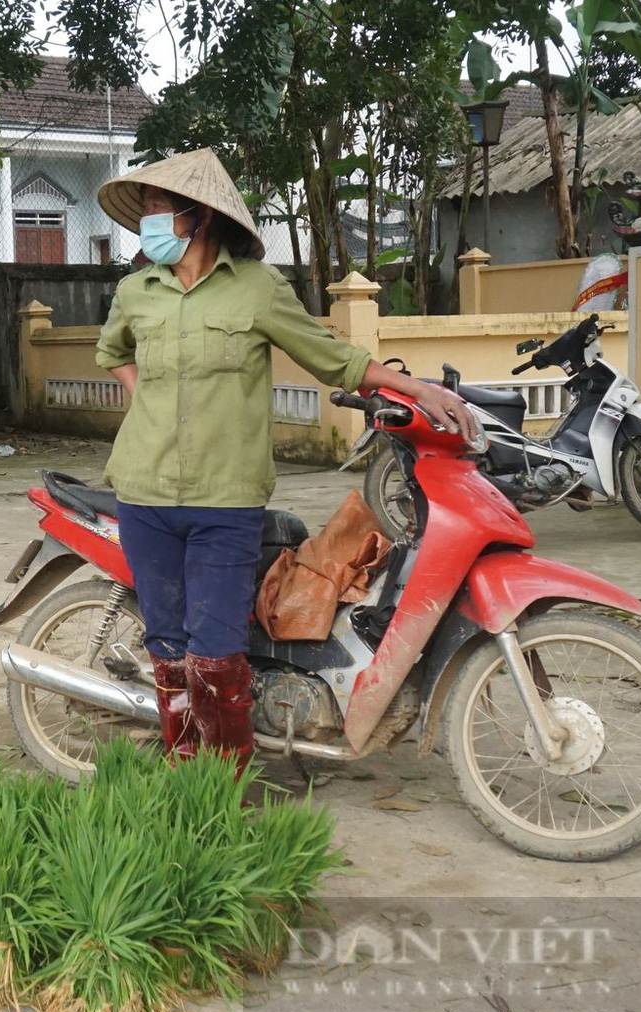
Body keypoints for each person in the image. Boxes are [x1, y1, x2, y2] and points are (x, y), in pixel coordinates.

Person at [92, 148, 477, 774]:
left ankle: (225, 790)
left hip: (226, 500)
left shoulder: (257, 290)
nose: (150, 221)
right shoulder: (138, 291)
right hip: (145, 491)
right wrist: (145, 403)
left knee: (217, 652)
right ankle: (184, 777)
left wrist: (419, 389)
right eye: (148, 210)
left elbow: (332, 356)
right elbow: (112, 352)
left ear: (199, 216)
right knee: (167, 648)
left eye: (161, 208)